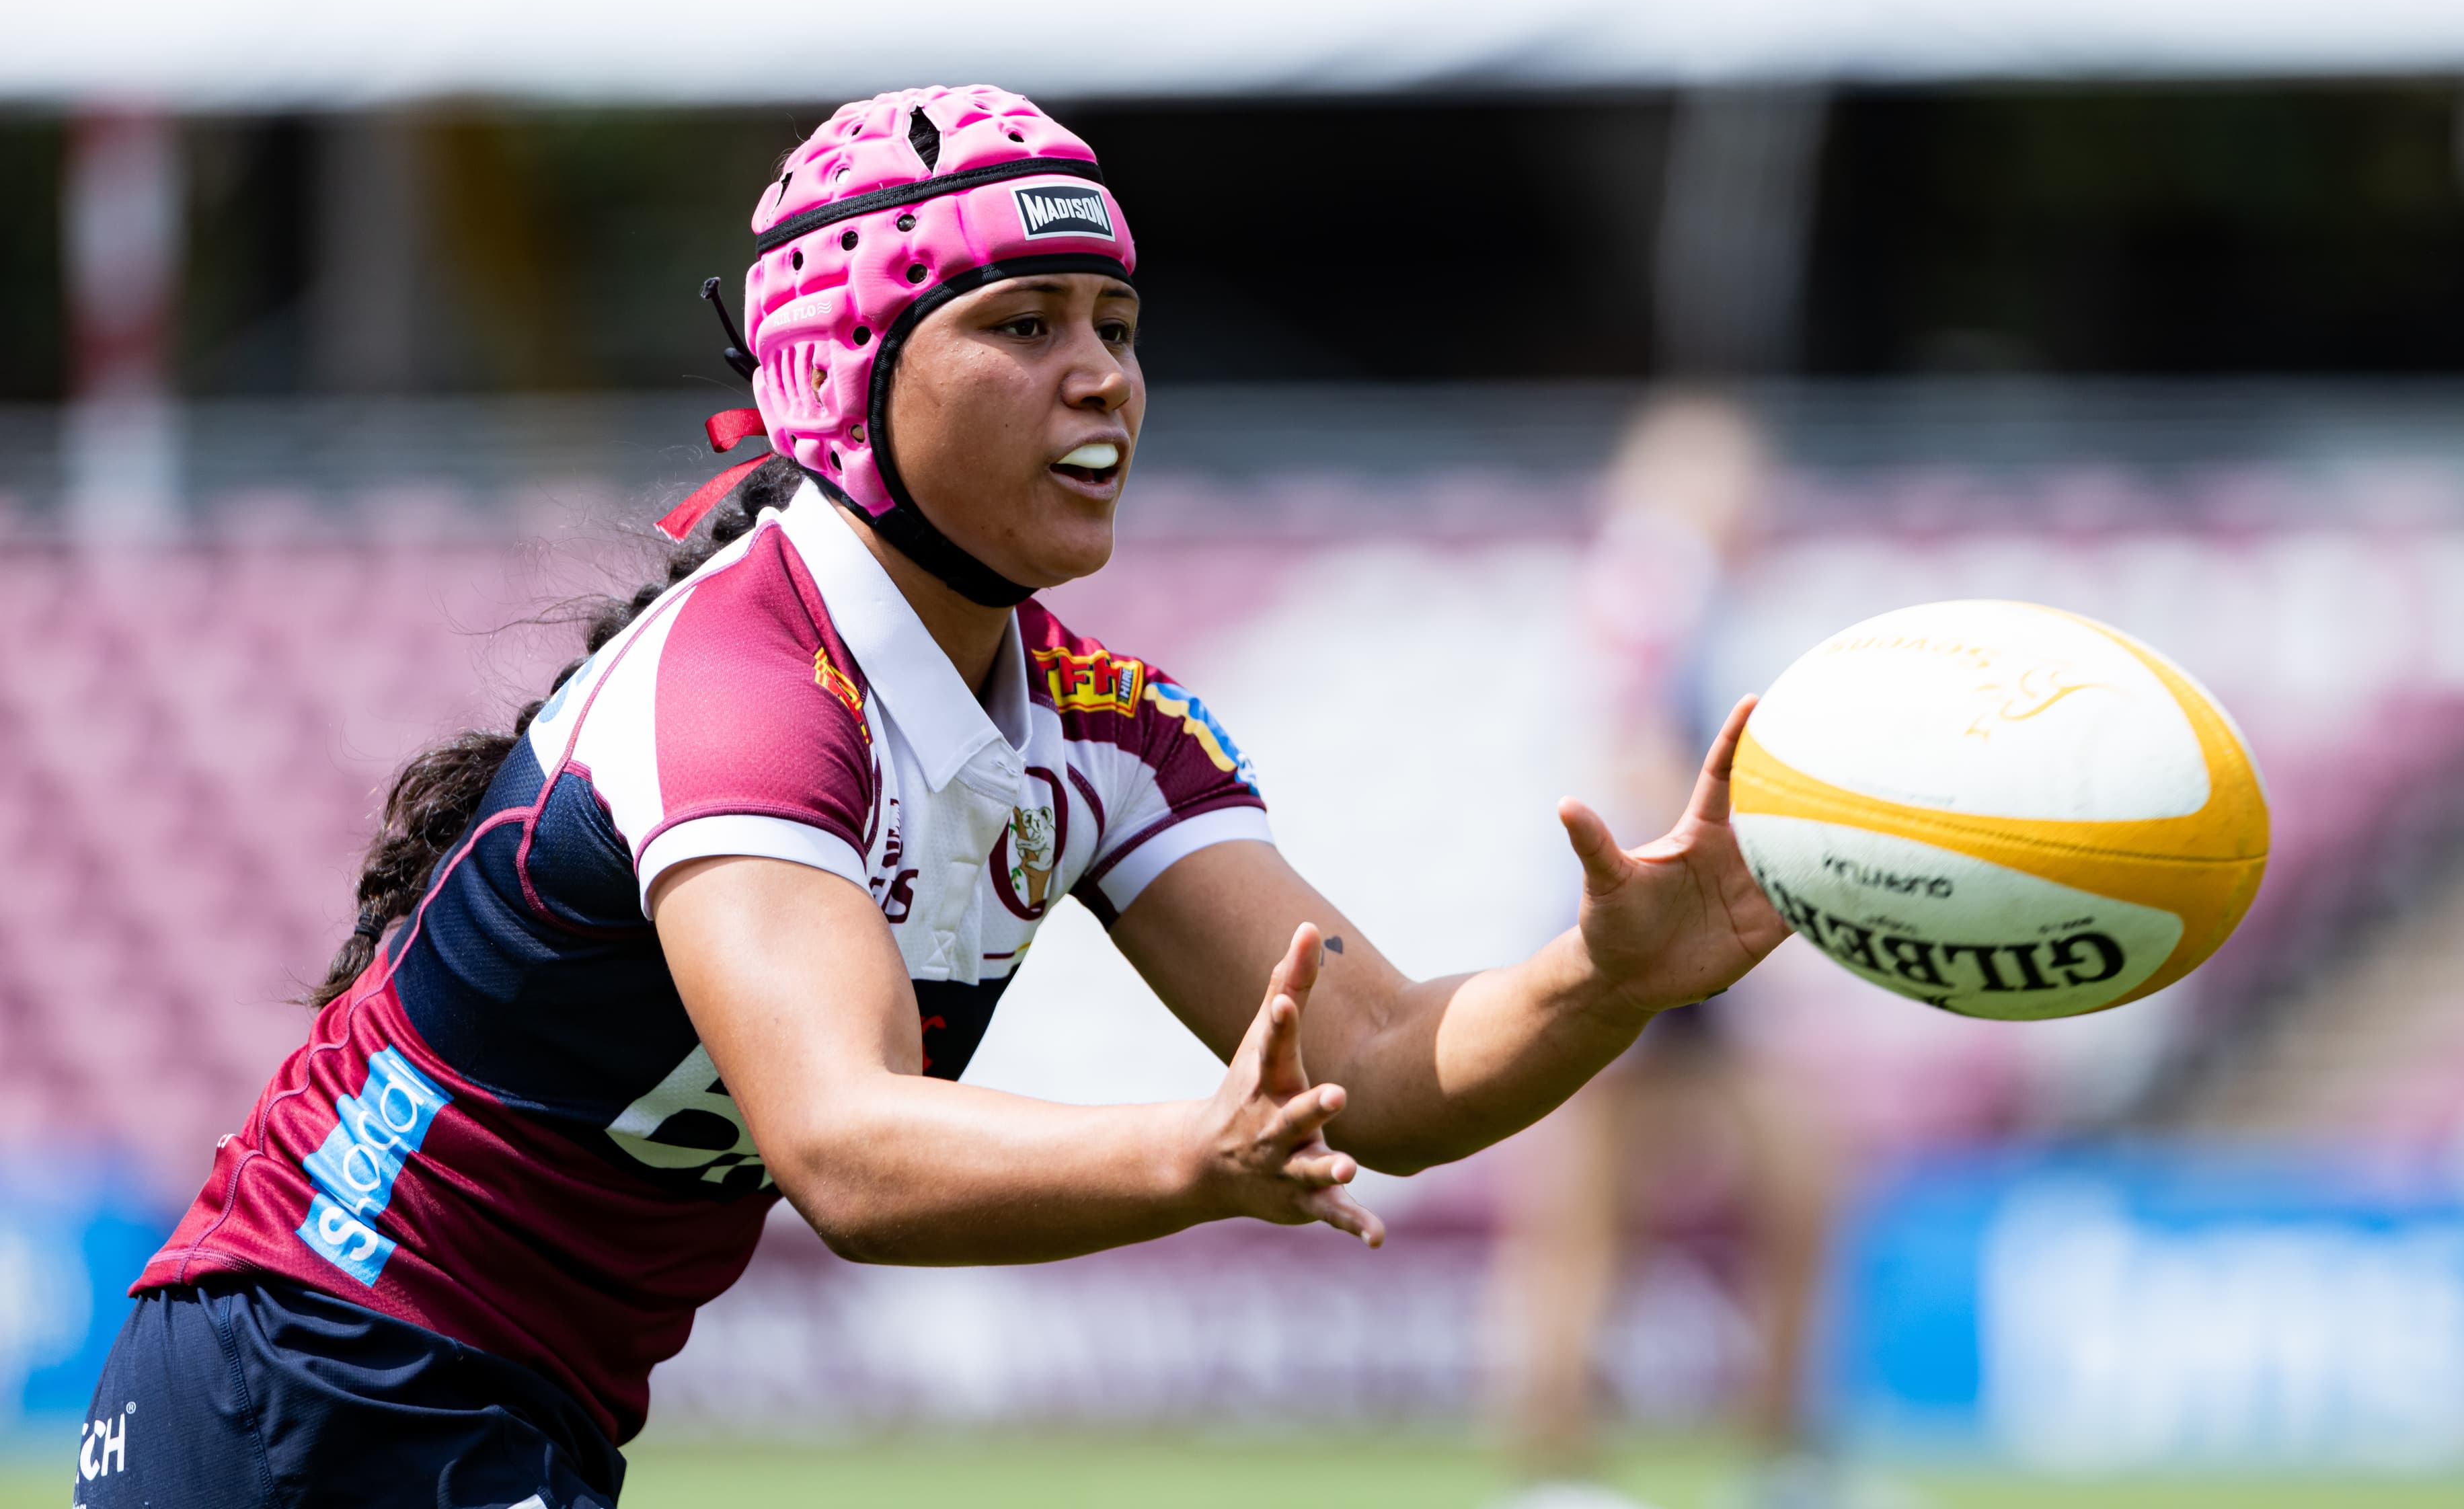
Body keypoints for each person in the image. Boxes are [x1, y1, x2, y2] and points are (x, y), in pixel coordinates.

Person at [79, 87, 1792, 1508]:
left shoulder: (1103, 730)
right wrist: (1192, 1155)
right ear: (843, 376)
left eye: (1118, 324)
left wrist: (1607, 977)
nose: (1104, 374)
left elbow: (1376, 1071)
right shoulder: (745, 684)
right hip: (307, 1382)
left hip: (507, 1411)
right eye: (1025, 324)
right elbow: (852, 1149)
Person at [1488, 399, 1863, 1509]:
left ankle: (1755, 1459)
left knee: (1757, 1192)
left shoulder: (1676, 584)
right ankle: (1568, 1473)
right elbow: (1638, 737)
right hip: (1633, 915)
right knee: (1596, 1209)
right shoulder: (1659, 573)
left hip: (1642, 915)